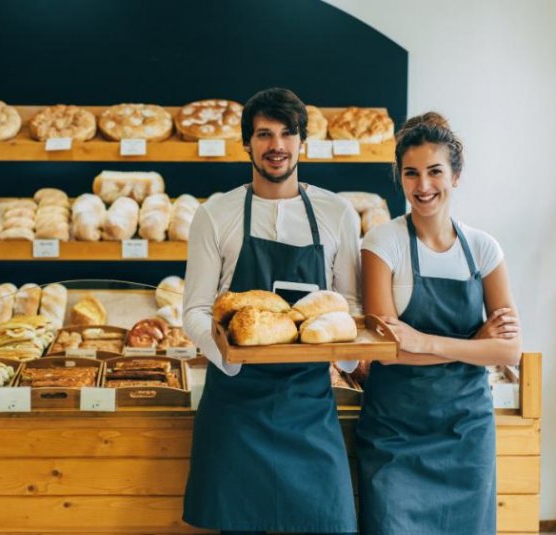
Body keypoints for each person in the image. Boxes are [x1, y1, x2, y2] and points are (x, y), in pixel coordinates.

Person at [181, 87, 360, 535]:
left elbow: (350, 306)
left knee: (327, 523)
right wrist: (235, 357)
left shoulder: (338, 214)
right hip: (236, 407)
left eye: (287, 133)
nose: (276, 145)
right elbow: (196, 311)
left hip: (310, 405)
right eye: (263, 134)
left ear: (302, 142)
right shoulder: (215, 215)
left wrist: (346, 357)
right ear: (247, 143)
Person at [355, 112, 522, 535]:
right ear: (400, 178)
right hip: (395, 434)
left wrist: (426, 343)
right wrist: (471, 345)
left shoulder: (484, 249)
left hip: (466, 434)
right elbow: (386, 353)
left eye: (435, 172)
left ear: (456, 175)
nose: (423, 186)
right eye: (411, 174)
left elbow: (508, 350)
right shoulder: (382, 243)